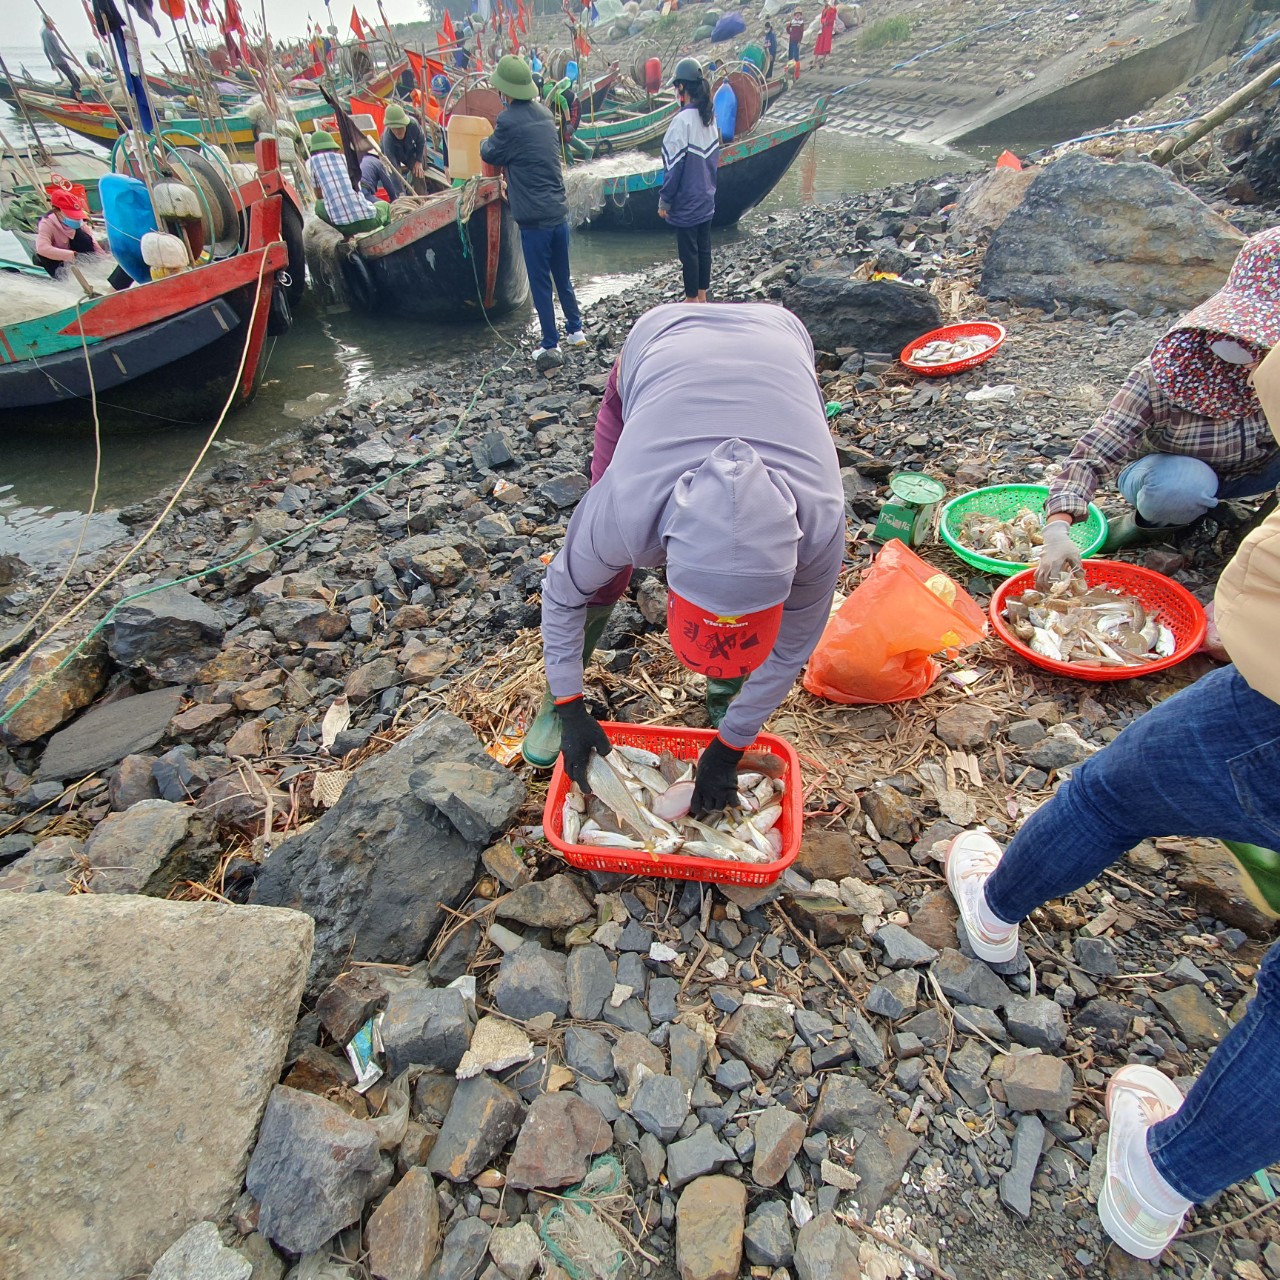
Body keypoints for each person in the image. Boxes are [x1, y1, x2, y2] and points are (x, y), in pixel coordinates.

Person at [943, 343, 1280, 1262]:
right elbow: (1096, 447)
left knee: (1113, 790)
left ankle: (996, 907)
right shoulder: (1168, 369)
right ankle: (1166, 1183)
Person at [521, 302, 847, 816]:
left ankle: (729, 689)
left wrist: (733, 742)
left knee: (739, 673)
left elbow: (790, 648)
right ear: (667, 572)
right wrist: (569, 702)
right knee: (600, 580)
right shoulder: (626, 509)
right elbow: (563, 591)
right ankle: (556, 694)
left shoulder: (819, 525)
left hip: (779, 346)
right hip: (660, 344)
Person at [1037, 227, 1280, 586]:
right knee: (1182, 486)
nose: (1253, 359)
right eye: (1242, 347)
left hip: (1259, 470)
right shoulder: (1167, 373)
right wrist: (1057, 528)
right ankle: (1162, 524)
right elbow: (1095, 451)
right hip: (1171, 473)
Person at [480, 55, 585, 358]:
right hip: (557, 213)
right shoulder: (543, 114)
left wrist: (481, 143)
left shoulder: (507, 121)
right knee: (562, 277)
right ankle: (576, 330)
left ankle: (549, 343)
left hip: (534, 222)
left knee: (540, 283)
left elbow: (490, 152)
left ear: (505, 92)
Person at [658, 59, 719, 305]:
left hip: (687, 200)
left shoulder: (681, 122)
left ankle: (691, 298)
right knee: (704, 248)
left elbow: (674, 168)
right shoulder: (709, 118)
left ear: (682, 88)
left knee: (689, 252)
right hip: (707, 196)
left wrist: (665, 200)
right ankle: (702, 295)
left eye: (676, 88)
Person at [34, 188, 132, 290]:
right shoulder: (47, 223)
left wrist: (102, 256)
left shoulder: (78, 223)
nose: (75, 219)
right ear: (57, 211)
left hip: (76, 251)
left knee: (82, 237)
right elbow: (42, 248)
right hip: (59, 258)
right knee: (43, 257)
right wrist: (71, 255)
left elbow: (91, 240)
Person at [307, 131, 389, 236]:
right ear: (333, 148)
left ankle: (346, 237)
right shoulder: (345, 158)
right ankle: (389, 234)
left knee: (318, 206)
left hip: (342, 226)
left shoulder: (311, 163)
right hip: (369, 222)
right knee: (386, 206)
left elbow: (319, 196)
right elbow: (357, 187)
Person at [381, 102, 427, 185]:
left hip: (409, 152)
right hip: (394, 155)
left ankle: (421, 197)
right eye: (394, 129)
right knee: (395, 177)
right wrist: (401, 194)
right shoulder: (387, 139)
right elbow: (393, 169)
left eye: (400, 128)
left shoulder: (413, 125)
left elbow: (421, 140)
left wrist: (419, 161)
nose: (397, 132)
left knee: (418, 172)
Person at [41, 16, 82, 100]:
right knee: (76, 82)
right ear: (48, 23)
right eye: (52, 24)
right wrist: (73, 60)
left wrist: (51, 63)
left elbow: (45, 50)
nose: (53, 26)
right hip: (61, 61)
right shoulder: (50, 35)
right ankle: (78, 101)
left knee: (75, 78)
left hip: (56, 61)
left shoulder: (43, 33)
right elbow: (59, 51)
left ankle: (73, 98)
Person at [811, 0, 837, 67]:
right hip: (823, 28)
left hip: (828, 29)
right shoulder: (824, 10)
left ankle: (823, 61)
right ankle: (814, 62)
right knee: (819, 44)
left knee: (826, 45)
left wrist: (826, 21)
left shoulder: (833, 10)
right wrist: (824, 21)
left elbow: (832, 19)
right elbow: (822, 19)